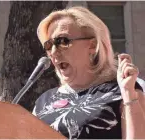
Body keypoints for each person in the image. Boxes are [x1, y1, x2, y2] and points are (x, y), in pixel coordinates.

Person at [32, 6, 145, 139]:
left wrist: (128, 93)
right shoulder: (43, 101)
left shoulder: (123, 91)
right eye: (48, 45)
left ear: (92, 45)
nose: (53, 52)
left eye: (62, 41)